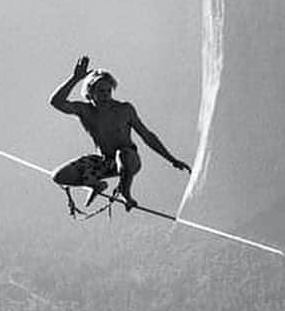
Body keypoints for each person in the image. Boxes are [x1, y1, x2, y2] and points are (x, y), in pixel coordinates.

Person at [49, 56, 191, 213]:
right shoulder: (85, 110)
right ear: (91, 92)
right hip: (104, 162)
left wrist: (171, 159)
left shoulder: (124, 109)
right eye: (101, 91)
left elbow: (147, 136)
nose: (105, 95)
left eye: (108, 91)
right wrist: (74, 79)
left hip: (129, 160)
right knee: (59, 176)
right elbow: (56, 102)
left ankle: (125, 192)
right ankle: (95, 184)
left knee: (122, 154)